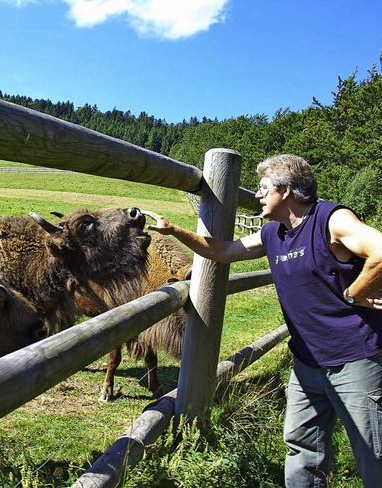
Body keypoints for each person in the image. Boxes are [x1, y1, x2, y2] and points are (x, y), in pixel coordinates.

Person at [141, 154, 382, 487]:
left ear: (285, 191)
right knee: (302, 450)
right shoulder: (274, 234)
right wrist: (173, 230)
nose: (257, 195)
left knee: (373, 454)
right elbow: (223, 251)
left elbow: (380, 251)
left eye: (263, 187)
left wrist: (353, 294)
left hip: (354, 359)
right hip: (306, 362)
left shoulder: (331, 220)